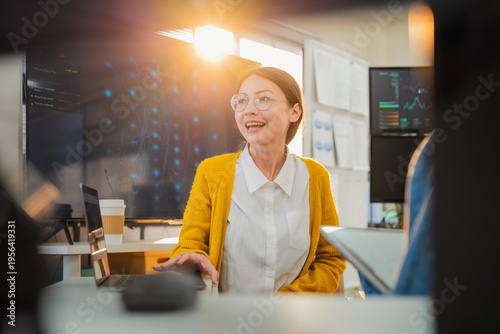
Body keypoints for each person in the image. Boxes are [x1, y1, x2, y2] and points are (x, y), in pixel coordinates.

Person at [153, 66, 345, 294]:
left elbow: (332, 259)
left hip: (291, 322)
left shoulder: (315, 176)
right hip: (224, 321)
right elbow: (190, 243)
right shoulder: (211, 172)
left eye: (263, 99)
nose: (249, 110)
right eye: (242, 101)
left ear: (294, 112)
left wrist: (289, 300)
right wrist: (191, 256)